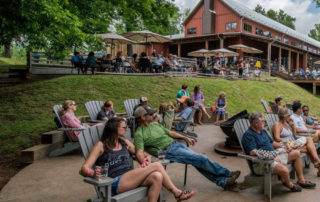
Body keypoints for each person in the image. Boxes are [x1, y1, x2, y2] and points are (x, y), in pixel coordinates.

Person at [80, 117, 195, 201]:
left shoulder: (125, 143)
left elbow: (141, 153)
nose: (127, 129)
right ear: (115, 128)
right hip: (113, 182)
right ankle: (177, 193)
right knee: (157, 166)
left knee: (157, 176)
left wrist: (146, 158)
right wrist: (93, 173)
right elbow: (84, 169)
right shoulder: (101, 145)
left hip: (130, 178)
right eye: (124, 127)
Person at [133, 106, 241, 190]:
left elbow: (170, 132)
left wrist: (186, 137)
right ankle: (227, 173)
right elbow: (139, 152)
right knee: (201, 158)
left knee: (198, 161)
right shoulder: (139, 133)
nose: (153, 115)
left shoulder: (154, 125)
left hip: (176, 145)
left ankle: (223, 182)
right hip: (167, 151)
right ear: (143, 117)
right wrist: (145, 164)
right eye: (150, 114)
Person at [242, 112, 316, 192]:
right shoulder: (248, 135)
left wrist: (284, 147)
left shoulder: (262, 131)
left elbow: (272, 143)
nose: (264, 122)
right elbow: (252, 152)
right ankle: (289, 185)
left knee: (296, 153)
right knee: (284, 170)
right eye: (263, 121)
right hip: (262, 163)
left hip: (274, 155)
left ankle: (301, 180)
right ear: (256, 123)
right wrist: (272, 156)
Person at [273, 108, 320, 176]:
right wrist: (288, 142)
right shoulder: (277, 125)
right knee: (309, 141)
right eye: (288, 116)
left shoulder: (286, 124)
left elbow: (294, 135)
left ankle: (318, 165)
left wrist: (293, 125)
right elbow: (277, 138)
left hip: (294, 143)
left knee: (308, 147)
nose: (289, 117)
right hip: (288, 145)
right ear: (284, 116)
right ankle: (318, 163)